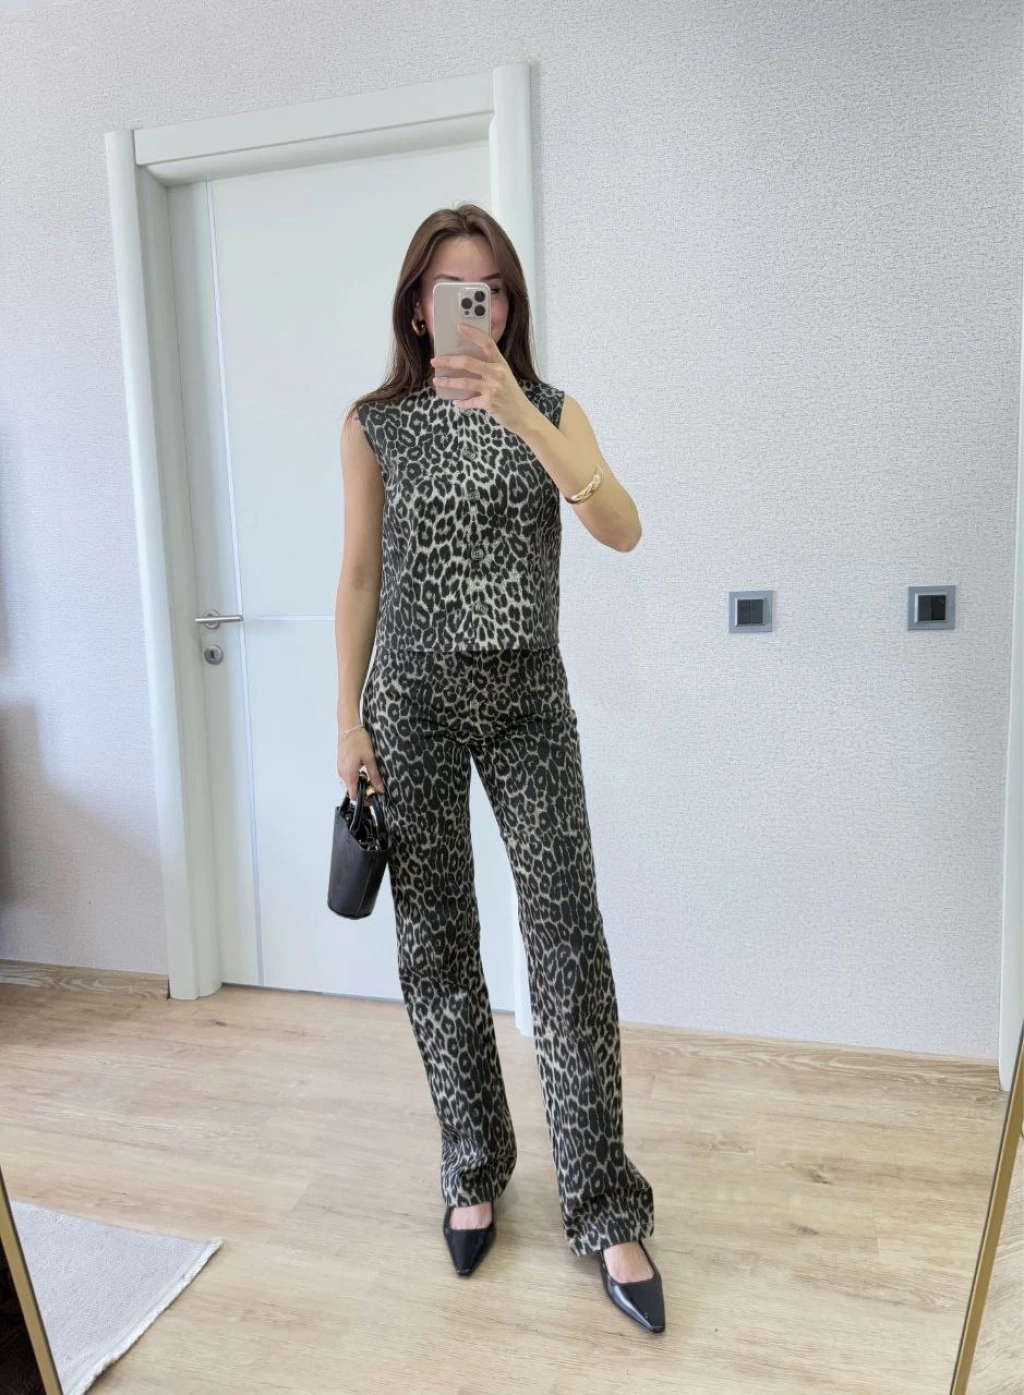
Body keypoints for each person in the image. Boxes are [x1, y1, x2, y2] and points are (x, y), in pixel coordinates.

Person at [334, 202, 664, 1335]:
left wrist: (520, 411)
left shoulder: (552, 410)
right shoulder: (375, 424)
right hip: (411, 700)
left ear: (508, 306)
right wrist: (346, 720)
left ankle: (605, 1205)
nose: (472, 307)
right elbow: (360, 576)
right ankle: (472, 1164)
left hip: (528, 699)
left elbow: (622, 527)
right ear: (418, 308)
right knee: (435, 941)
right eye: (450, 289)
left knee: (566, 936)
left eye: (491, 290)